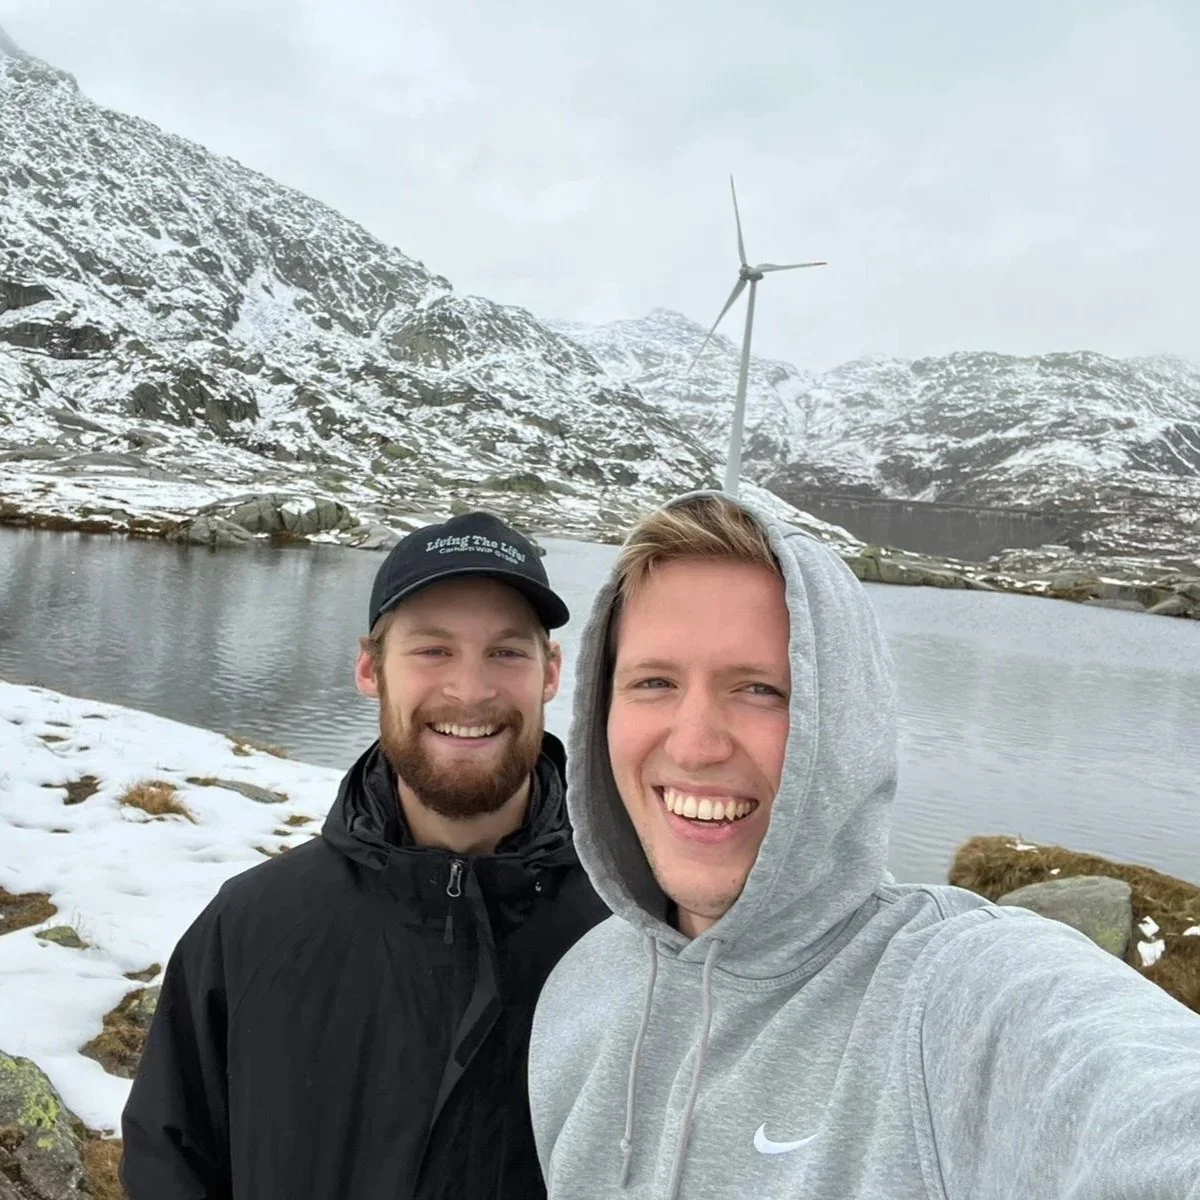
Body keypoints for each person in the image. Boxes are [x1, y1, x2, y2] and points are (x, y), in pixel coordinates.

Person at [529, 491, 1200, 1199]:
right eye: (654, 682)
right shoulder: (579, 992)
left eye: (762, 689)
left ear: (846, 719)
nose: (694, 745)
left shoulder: (957, 997)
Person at [122, 511, 609, 1199]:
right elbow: (169, 1161)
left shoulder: (628, 935)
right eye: (432, 650)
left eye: (506, 652)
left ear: (551, 672)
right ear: (369, 669)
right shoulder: (252, 927)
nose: (470, 691)